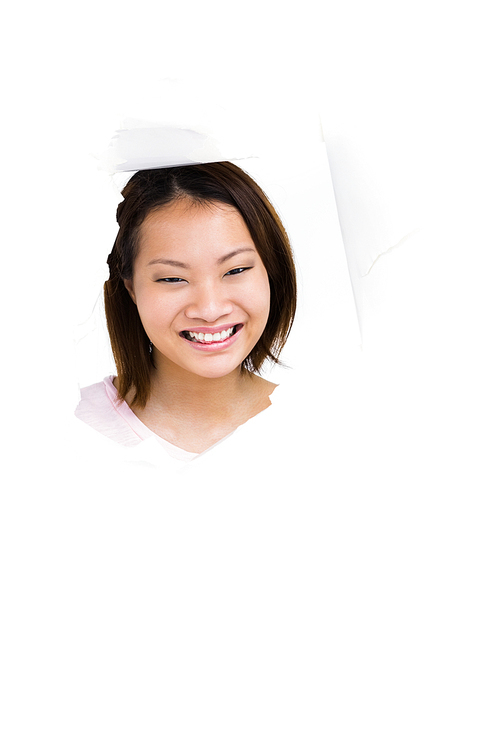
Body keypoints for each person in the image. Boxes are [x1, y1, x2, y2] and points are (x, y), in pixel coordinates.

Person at [75, 161, 297, 460]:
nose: (209, 309)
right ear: (130, 287)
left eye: (236, 270)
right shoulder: (67, 429)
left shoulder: (326, 426)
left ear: (271, 270)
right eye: (172, 278)